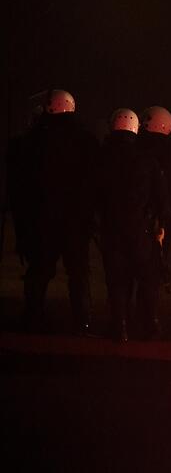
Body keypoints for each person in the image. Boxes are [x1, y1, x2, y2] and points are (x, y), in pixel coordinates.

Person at [15, 90, 99, 334]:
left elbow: (22, 185)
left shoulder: (32, 140)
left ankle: (32, 316)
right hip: (76, 221)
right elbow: (94, 183)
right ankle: (82, 320)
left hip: (42, 220)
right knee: (78, 272)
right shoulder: (86, 140)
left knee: (39, 271)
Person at [96, 109, 170, 342]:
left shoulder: (100, 157)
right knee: (147, 277)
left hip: (111, 229)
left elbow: (90, 194)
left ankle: (120, 327)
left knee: (117, 279)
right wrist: (161, 224)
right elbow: (162, 199)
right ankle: (151, 325)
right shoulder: (146, 159)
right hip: (141, 229)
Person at [137, 106, 171, 292]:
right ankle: (149, 309)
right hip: (164, 214)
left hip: (139, 211)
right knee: (156, 260)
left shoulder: (138, 146)